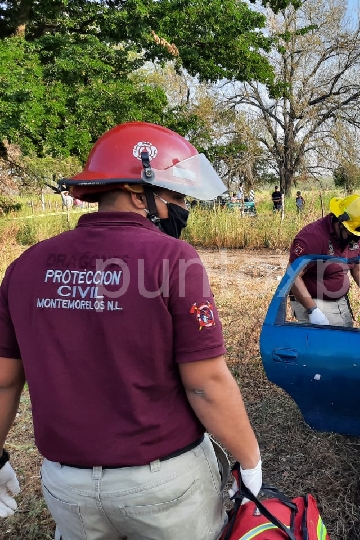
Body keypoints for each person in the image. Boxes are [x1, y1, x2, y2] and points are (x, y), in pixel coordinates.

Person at [0, 122, 262, 538]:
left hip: (68, 487)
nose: (182, 208)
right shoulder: (174, 259)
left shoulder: (27, 265)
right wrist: (250, 461)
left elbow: (4, 382)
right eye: (176, 196)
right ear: (140, 193)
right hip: (162, 485)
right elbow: (206, 383)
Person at [288, 194, 360, 327]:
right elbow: (293, 276)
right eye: (352, 234)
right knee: (329, 344)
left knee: (346, 338)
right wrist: (312, 310)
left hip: (339, 300)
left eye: (357, 236)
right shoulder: (312, 237)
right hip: (313, 299)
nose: (355, 240)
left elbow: (359, 269)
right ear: (339, 222)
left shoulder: (353, 234)